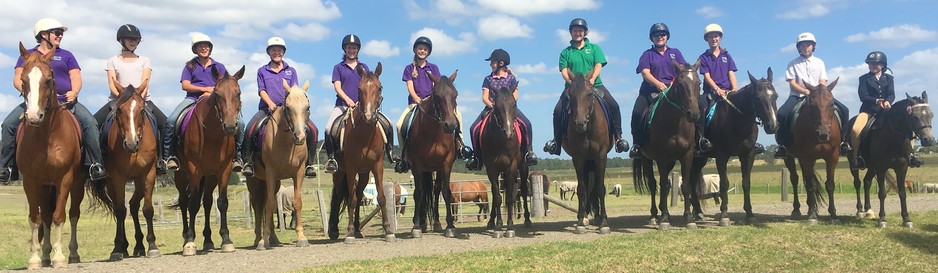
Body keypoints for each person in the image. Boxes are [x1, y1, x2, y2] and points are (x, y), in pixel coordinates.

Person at [1, 18, 107, 183]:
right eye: (57, 32)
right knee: (8, 125)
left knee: (90, 123)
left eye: (61, 33)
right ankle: (7, 167)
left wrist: (74, 91)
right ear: (43, 34)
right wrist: (28, 92)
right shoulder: (28, 55)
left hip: (65, 101)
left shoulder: (66, 55)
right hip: (35, 100)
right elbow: (17, 77)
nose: (60, 36)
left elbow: (76, 76)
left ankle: (94, 164)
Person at [92, 24, 176, 175]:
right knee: (93, 123)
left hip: (142, 100)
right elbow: (112, 84)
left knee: (166, 123)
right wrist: (123, 99)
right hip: (118, 100)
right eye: (130, 39)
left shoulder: (144, 60)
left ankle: (163, 158)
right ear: (122, 40)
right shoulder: (113, 61)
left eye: (136, 39)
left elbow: (145, 82)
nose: (134, 42)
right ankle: (98, 162)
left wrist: (138, 99)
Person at [544, 18, 628, 156]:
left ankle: (619, 138)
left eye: (580, 30)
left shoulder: (594, 48)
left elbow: (598, 64)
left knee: (614, 105)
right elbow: (564, 70)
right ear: (571, 32)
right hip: (572, 87)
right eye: (575, 30)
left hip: (595, 85)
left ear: (585, 32)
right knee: (558, 111)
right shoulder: (566, 52)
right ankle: (556, 142)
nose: (578, 33)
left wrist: (592, 79)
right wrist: (571, 82)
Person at [165, 33, 245, 171]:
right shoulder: (190, 66)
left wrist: (214, 93)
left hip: (215, 100)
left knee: (242, 124)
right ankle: (169, 156)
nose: (203, 48)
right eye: (200, 46)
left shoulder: (219, 66)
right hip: (193, 99)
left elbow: (226, 85)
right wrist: (204, 89)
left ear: (210, 48)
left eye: (206, 46)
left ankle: (238, 157)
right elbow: (185, 85)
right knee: (171, 120)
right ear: (195, 49)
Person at [240, 37, 318, 178]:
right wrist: (270, 103)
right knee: (250, 128)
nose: (277, 52)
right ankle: (248, 162)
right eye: (274, 50)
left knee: (313, 129)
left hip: (289, 111)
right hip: (267, 109)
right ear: (269, 52)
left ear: (283, 52)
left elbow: (295, 90)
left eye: (279, 50)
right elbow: (261, 90)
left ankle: (310, 164)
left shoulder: (291, 71)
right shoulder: (262, 71)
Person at [394, 37, 471, 173]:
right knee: (400, 125)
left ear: (428, 52)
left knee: (457, 115)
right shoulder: (409, 68)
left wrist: (434, 99)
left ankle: (460, 146)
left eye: (425, 49)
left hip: (432, 103)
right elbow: (409, 86)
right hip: (415, 103)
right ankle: (404, 157)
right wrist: (417, 99)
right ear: (415, 50)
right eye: (420, 48)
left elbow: (438, 86)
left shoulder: (433, 67)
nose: (422, 51)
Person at [630, 22, 708, 158]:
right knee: (637, 112)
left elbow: (683, 71)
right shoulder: (647, 55)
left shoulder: (675, 52)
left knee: (698, 106)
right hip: (651, 91)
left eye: (662, 34)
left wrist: (674, 83)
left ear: (667, 36)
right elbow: (645, 73)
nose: (659, 37)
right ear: (652, 38)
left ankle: (700, 139)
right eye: (656, 35)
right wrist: (659, 84)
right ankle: (637, 144)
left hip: (673, 90)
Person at [324, 34, 396, 173]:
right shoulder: (338, 67)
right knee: (328, 128)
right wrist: (348, 100)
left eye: (354, 48)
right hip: (343, 105)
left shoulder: (364, 67)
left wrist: (365, 102)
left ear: (358, 50)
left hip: (363, 106)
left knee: (388, 124)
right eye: (349, 48)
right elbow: (337, 87)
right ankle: (332, 158)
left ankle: (390, 152)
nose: (352, 50)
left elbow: (369, 86)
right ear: (345, 49)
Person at [774, 32, 851, 159]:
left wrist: (817, 92)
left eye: (809, 45)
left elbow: (823, 81)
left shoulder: (819, 62)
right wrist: (805, 91)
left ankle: (843, 142)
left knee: (844, 109)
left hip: (819, 96)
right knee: (782, 114)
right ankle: (783, 145)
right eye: (803, 45)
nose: (806, 48)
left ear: (813, 47)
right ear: (798, 48)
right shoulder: (792, 64)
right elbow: (792, 83)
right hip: (798, 95)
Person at [465, 49, 538, 170]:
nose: (490, 64)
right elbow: (485, 97)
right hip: (492, 108)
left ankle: (528, 153)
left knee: (527, 124)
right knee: (473, 128)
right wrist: (493, 106)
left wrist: (508, 105)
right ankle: (477, 158)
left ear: (501, 63)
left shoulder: (511, 78)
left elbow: (515, 96)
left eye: (493, 62)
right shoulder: (488, 79)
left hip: (510, 108)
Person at [696, 23, 738, 154]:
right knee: (699, 108)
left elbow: (731, 73)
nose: (714, 39)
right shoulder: (704, 57)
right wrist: (716, 89)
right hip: (711, 93)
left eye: (716, 36)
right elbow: (707, 76)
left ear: (720, 38)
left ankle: (747, 141)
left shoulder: (727, 56)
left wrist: (735, 89)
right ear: (707, 39)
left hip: (727, 92)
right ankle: (701, 139)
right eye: (711, 37)